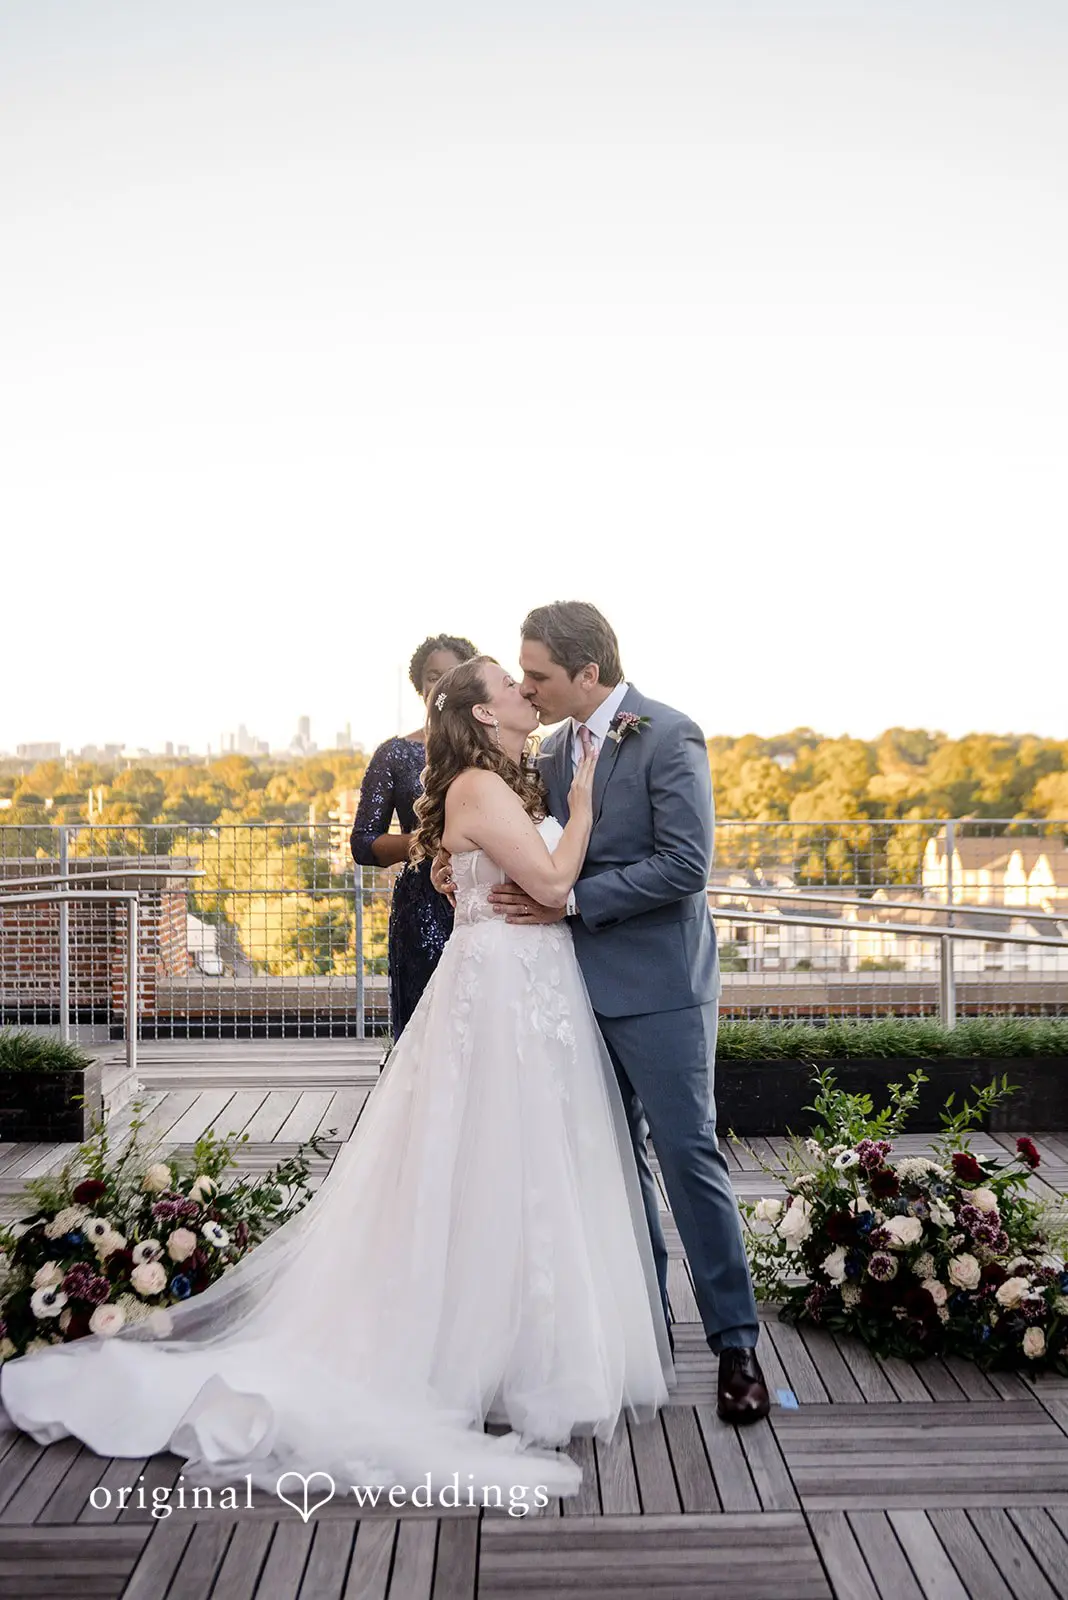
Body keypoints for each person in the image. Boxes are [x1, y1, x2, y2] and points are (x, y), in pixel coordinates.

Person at [1, 657, 672, 1506]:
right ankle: (476, 1357)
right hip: (503, 995)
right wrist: (579, 812)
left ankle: (512, 1350)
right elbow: (550, 881)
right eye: (509, 682)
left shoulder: (500, 782)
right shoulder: (478, 785)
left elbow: (473, 871)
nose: (521, 691)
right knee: (499, 1161)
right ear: (479, 707)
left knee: (522, 1167)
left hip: (525, 991)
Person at [473, 601, 769, 1422]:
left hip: (663, 990)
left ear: (588, 673)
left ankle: (735, 1344)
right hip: (569, 993)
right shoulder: (554, 748)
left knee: (686, 1158)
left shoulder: (670, 734)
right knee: (610, 1162)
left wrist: (570, 906)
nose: (527, 687)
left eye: (537, 674)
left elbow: (685, 864)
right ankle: (642, 1329)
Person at [351, 633, 477, 1040]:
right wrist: (427, 843)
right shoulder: (394, 754)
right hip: (421, 905)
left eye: (451, 675)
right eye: (431, 677)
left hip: (483, 899)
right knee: (425, 1030)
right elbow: (363, 843)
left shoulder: (492, 750)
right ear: (420, 686)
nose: (438, 685)